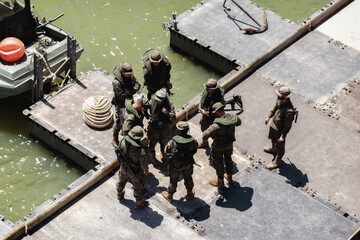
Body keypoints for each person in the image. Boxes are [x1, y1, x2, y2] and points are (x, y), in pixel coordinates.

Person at [202, 102, 241, 188]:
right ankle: (230, 179)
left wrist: (205, 140)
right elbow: (239, 122)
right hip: (229, 145)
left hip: (218, 147)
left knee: (218, 163)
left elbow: (205, 135)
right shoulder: (233, 117)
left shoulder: (216, 125)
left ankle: (220, 182)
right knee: (228, 160)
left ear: (216, 112)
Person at [161, 121, 198, 202]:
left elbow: (166, 153)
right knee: (188, 177)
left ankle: (170, 196)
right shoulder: (193, 141)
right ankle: (190, 193)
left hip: (175, 165)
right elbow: (195, 150)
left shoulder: (172, 142)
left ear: (178, 131)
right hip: (188, 163)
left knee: (173, 180)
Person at [115, 126, 150, 210]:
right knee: (138, 187)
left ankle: (119, 194)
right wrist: (146, 170)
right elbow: (143, 163)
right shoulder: (140, 150)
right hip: (135, 172)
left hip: (123, 167)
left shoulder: (123, 141)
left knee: (121, 181)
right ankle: (138, 204)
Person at [264, 86, 295, 170]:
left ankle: (277, 161)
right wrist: (269, 116)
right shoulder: (280, 100)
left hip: (280, 130)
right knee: (273, 139)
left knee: (280, 146)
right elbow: (275, 107)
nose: (277, 96)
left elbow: (288, 125)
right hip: (274, 126)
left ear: (285, 97)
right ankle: (274, 149)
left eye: (279, 95)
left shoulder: (289, 111)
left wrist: (283, 136)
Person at [111, 62, 141, 147]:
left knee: (129, 117)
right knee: (119, 122)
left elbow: (138, 85)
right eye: (126, 74)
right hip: (120, 104)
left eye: (129, 73)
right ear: (121, 72)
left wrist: (130, 91)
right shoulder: (116, 82)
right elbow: (121, 96)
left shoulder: (131, 75)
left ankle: (123, 130)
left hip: (129, 100)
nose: (128, 75)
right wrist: (131, 92)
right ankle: (114, 138)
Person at [148, 88, 176, 166]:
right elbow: (145, 106)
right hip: (154, 126)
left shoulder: (169, 103)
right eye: (156, 100)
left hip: (164, 125)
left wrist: (167, 113)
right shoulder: (152, 100)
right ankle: (152, 157)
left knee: (163, 141)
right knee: (152, 142)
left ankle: (162, 152)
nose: (157, 101)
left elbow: (174, 116)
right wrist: (147, 116)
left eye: (159, 100)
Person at [197, 78, 224, 148]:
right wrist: (200, 104)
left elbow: (217, 111)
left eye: (208, 89)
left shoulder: (218, 97)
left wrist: (205, 113)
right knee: (203, 129)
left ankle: (215, 150)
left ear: (214, 89)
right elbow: (203, 96)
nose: (206, 90)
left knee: (214, 134)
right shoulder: (207, 90)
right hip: (205, 113)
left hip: (213, 117)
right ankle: (205, 143)